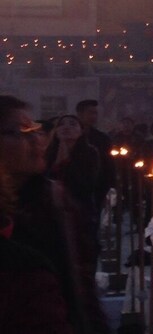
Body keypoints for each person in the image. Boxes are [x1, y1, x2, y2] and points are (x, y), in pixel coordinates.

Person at [0, 95, 109, 334]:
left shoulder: (56, 201)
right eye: (22, 131)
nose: (37, 139)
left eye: (36, 131)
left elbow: (79, 285)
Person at [45, 114, 102, 269]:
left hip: (81, 212)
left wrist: (66, 161)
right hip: (50, 213)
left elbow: (86, 184)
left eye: (72, 124)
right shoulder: (47, 153)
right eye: (62, 124)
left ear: (81, 131)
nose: (66, 127)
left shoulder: (90, 153)